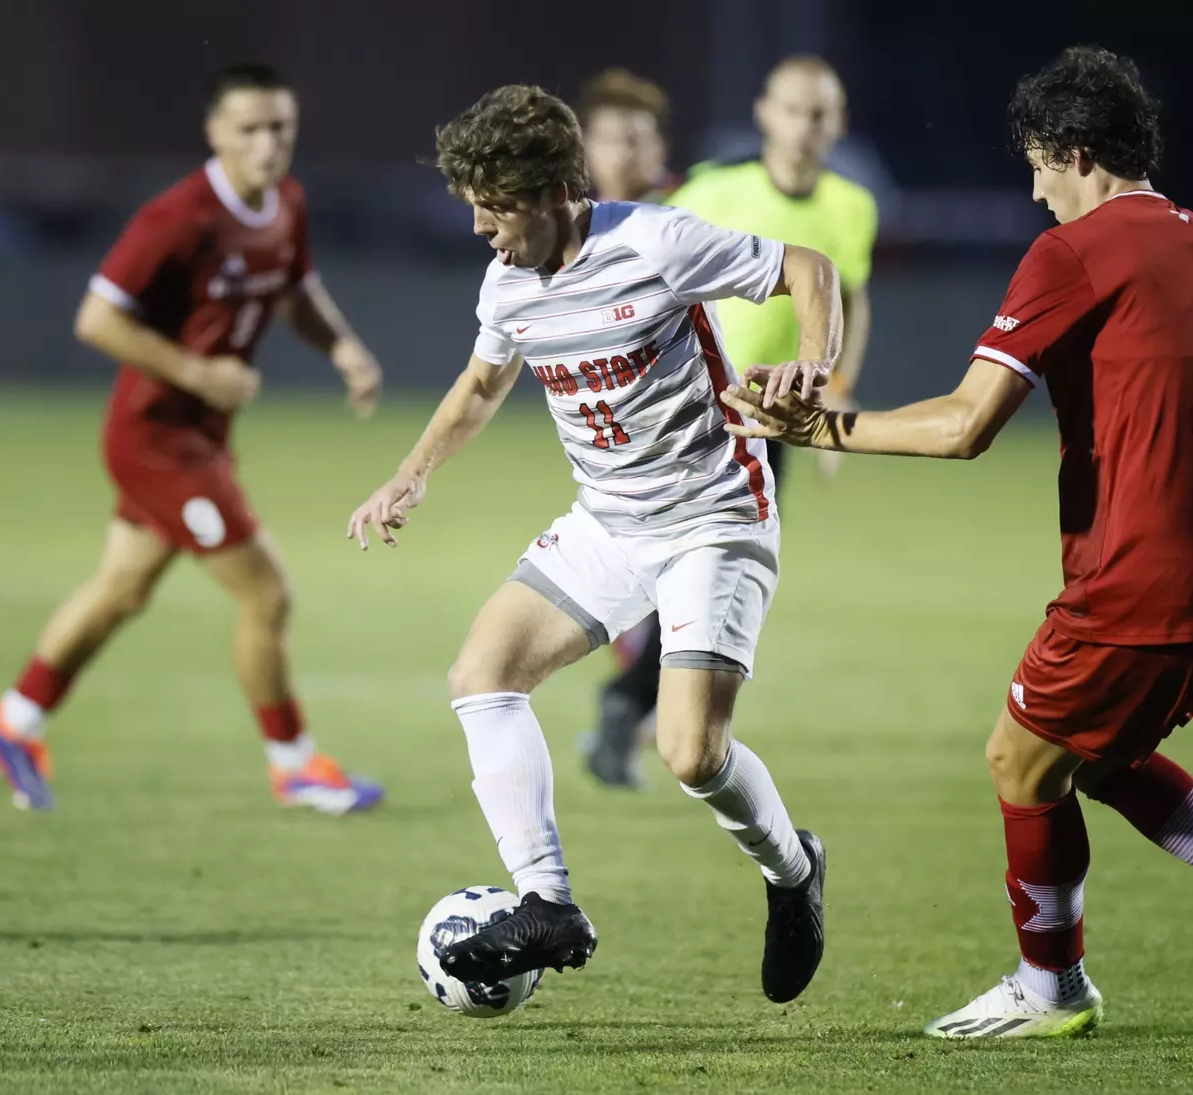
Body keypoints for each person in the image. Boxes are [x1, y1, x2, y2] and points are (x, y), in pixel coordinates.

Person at [722, 46, 1193, 1039]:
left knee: (1019, 762)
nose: (1033, 193)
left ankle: (1050, 987)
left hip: (1139, 580)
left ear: (1078, 153)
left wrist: (820, 428)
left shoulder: (1076, 251)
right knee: (1102, 759)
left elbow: (964, 426)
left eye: (1038, 168)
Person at [346, 85, 841, 1001]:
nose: (480, 230)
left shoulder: (655, 242)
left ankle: (793, 871)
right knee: (481, 674)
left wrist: (811, 363)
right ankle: (548, 904)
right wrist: (410, 473)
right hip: (608, 521)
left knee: (691, 755)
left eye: (493, 210)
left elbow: (809, 270)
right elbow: (482, 385)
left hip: (712, 515)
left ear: (551, 194)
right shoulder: (507, 282)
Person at [0, 63, 386, 816]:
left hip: (201, 437)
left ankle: (14, 720)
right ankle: (294, 765)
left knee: (121, 590)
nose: (267, 144)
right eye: (250, 129)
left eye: (280, 128)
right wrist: (198, 372)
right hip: (157, 440)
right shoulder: (179, 217)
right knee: (267, 593)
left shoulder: (286, 202)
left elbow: (295, 288)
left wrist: (345, 349)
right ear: (215, 133)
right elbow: (95, 320)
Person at [582, 55, 879, 788]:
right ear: (764, 113)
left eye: (821, 114)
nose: (807, 127)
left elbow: (851, 295)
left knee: (701, 570)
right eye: (794, 110)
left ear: (838, 122)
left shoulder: (853, 206)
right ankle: (643, 706)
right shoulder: (713, 189)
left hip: (771, 417)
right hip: (695, 408)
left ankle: (638, 704)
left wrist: (837, 384)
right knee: (711, 569)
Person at [578, 68, 678, 203]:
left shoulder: (693, 205)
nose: (624, 154)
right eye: (610, 140)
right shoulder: (571, 217)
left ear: (663, 146)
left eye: (635, 140)